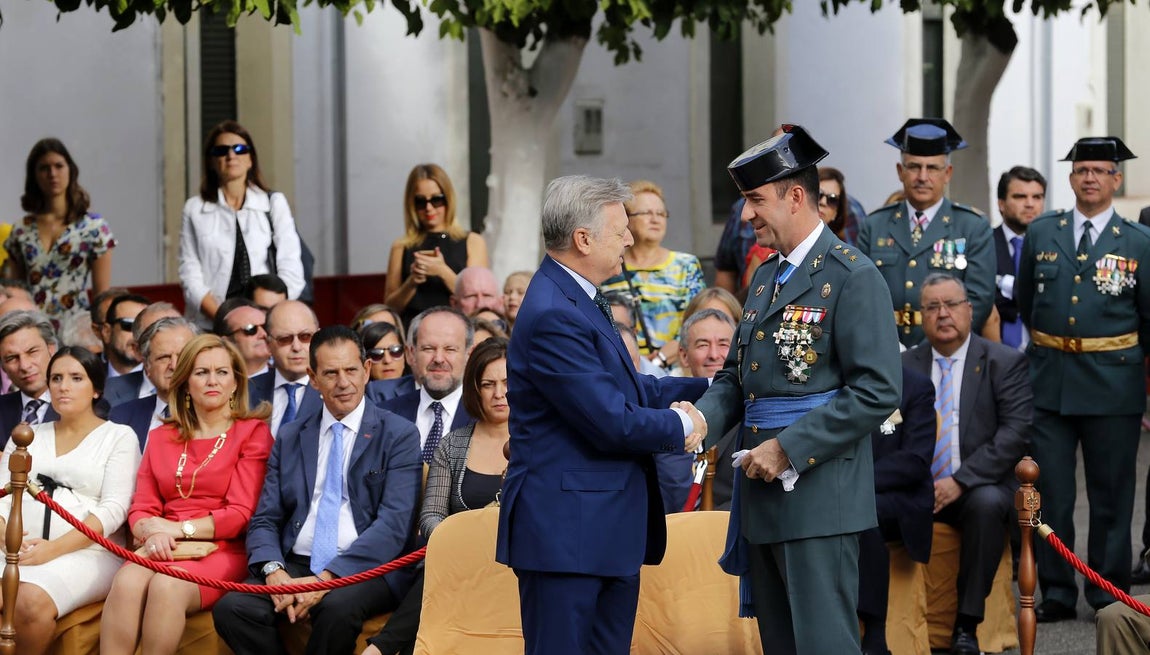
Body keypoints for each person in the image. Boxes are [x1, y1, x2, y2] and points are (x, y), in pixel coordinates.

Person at [692, 125, 901, 654]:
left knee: (823, 644)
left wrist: (787, 448)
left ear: (796, 197)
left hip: (818, 497)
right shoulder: (766, 277)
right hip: (762, 493)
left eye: (756, 200)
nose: (746, 215)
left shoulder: (853, 276)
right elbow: (737, 379)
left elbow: (877, 391)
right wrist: (697, 421)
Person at [496, 175, 708, 655]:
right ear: (583, 239)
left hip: (602, 532)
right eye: (620, 230)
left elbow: (629, 388)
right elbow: (612, 420)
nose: (631, 239)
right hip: (567, 538)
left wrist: (711, 389)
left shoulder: (578, 295)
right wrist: (685, 424)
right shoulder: (554, 312)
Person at [212, 326, 422, 655]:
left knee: (336, 608)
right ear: (313, 378)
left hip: (366, 567)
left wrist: (327, 578)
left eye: (351, 370)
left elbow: (393, 526)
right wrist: (274, 571)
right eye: (331, 373)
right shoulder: (291, 435)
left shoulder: (398, 434)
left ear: (366, 370)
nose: (343, 382)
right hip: (296, 562)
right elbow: (266, 517)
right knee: (233, 608)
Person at [1016, 136, 1150, 621]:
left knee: (1111, 493)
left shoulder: (1138, 241)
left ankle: (1106, 591)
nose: (1090, 177)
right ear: (1071, 179)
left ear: (1116, 179)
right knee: (1051, 490)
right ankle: (1056, 591)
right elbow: (1028, 303)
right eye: (1081, 170)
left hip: (1114, 386)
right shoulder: (1042, 233)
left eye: (1100, 170)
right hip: (1051, 381)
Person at [99, 334, 273, 654]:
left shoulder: (253, 433)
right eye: (201, 372)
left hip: (223, 549)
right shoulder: (161, 436)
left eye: (222, 372)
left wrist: (177, 529)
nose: (212, 380)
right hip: (163, 545)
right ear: (185, 383)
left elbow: (240, 514)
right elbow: (142, 507)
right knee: (126, 582)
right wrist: (151, 532)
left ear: (236, 382)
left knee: (167, 585)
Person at [904, 274, 1031, 654]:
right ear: (921, 316)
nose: (943, 314)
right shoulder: (904, 365)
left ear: (970, 310)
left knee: (988, 504)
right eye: (932, 307)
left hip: (976, 485)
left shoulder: (1003, 361)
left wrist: (960, 480)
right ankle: (876, 627)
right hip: (916, 487)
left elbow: (1015, 434)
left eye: (951, 304)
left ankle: (966, 626)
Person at [365, 337, 509, 655]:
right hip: (455, 560)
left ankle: (380, 649)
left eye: (507, 383)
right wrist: (460, 541)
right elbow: (430, 516)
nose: (499, 393)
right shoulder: (452, 444)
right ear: (475, 389)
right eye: (488, 384)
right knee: (447, 570)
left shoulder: (539, 442)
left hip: (513, 562)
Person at [0, 347, 139, 655]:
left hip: (90, 553)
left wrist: (52, 550)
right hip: (16, 547)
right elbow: (2, 495)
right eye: (56, 378)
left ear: (96, 388)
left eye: (76, 378)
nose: (64, 386)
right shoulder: (26, 434)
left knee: (28, 601)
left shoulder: (119, 437)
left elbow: (114, 509)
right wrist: (5, 538)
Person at [857, 118, 995, 347]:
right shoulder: (874, 225)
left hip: (946, 351)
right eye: (914, 167)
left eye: (932, 168)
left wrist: (926, 351)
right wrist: (891, 348)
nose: (922, 177)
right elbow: (861, 296)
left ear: (947, 173)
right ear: (900, 171)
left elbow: (979, 301)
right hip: (885, 350)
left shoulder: (972, 227)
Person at [178, 120, 305, 327]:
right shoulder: (194, 208)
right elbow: (189, 273)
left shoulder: (273, 203)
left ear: (250, 159)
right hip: (213, 322)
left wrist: (268, 318)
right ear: (211, 161)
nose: (231, 155)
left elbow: (291, 267)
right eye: (221, 151)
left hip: (266, 322)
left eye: (239, 149)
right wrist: (226, 320)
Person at [855, 364, 935, 655]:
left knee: (863, 513)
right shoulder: (837, 379)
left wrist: (854, 483)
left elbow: (915, 461)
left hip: (899, 496)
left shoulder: (914, 385)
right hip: (843, 493)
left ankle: (875, 631)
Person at [3, 138, 115, 328]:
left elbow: (101, 296)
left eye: (58, 166)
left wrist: (100, 332)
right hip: (32, 327)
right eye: (44, 168)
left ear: (70, 169)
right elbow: (14, 291)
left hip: (77, 328)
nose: (52, 174)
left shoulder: (94, 228)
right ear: (34, 175)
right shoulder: (22, 229)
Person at [599, 180, 705, 371]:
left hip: (677, 371)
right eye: (646, 213)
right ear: (626, 218)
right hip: (624, 370)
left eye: (661, 213)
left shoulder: (686, 265)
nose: (655, 219)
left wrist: (662, 358)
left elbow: (698, 321)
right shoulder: (609, 267)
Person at [385, 164, 489, 326]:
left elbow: (479, 301)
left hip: (458, 330)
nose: (429, 208)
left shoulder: (472, 241)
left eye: (436, 200)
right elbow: (390, 308)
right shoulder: (401, 246)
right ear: (411, 204)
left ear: (448, 199)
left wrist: (442, 271)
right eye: (420, 202)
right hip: (414, 331)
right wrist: (411, 282)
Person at [382, 307, 475, 463]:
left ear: (469, 355)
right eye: (428, 349)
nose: (438, 359)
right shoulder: (385, 416)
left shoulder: (484, 417)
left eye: (450, 349)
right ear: (411, 354)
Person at [677, 309, 737, 510]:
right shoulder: (670, 412)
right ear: (684, 355)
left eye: (724, 344)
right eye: (703, 345)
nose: (714, 355)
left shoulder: (753, 414)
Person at [108, 317, 199, 450]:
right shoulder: (121, 416)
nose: (174, 365)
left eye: (183, 356)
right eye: (164, 357)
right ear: (147, 366)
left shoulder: (215, 414)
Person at [247, 300, 323, 435]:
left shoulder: (336, 391)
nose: (296, 347)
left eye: (305, 337)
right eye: (285, 339)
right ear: (268, 344)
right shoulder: (245, 391)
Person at [993, 166, 1047, 350]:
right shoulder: (983, 243)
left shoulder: (1055, 247)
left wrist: (1005, 285)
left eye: (1037, 197)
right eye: (1020, 197)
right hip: (996, 352)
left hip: (1043, 353)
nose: (1030, 204)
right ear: (1001, 204)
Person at [103, 300, 181, 407]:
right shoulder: (107, 392)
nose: (174, 364)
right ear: (138, 351)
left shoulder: (203, 389)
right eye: (156, 333)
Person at [0, 310, 60, 445]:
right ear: (3, 367)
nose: (25, 366)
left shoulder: (81, 405)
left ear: (51, 350)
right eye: (12, 358)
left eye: (32, 352)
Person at [214, 298, 270, 378]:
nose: (263, 334)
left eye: (266, 327)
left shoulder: (286, 378)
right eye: (250, 329)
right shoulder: (215, 382)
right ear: (227, 342)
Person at [99, 293, 148, 380]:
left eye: (147, 328)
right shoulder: (88, 375)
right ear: (107, 332)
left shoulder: (167, 381)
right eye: (130, 325)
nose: (139, 335)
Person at [817, 166, 860, 245]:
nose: (823, 202)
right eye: (819, 194)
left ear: (836, 213)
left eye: (832, 199)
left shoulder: (841, 250)